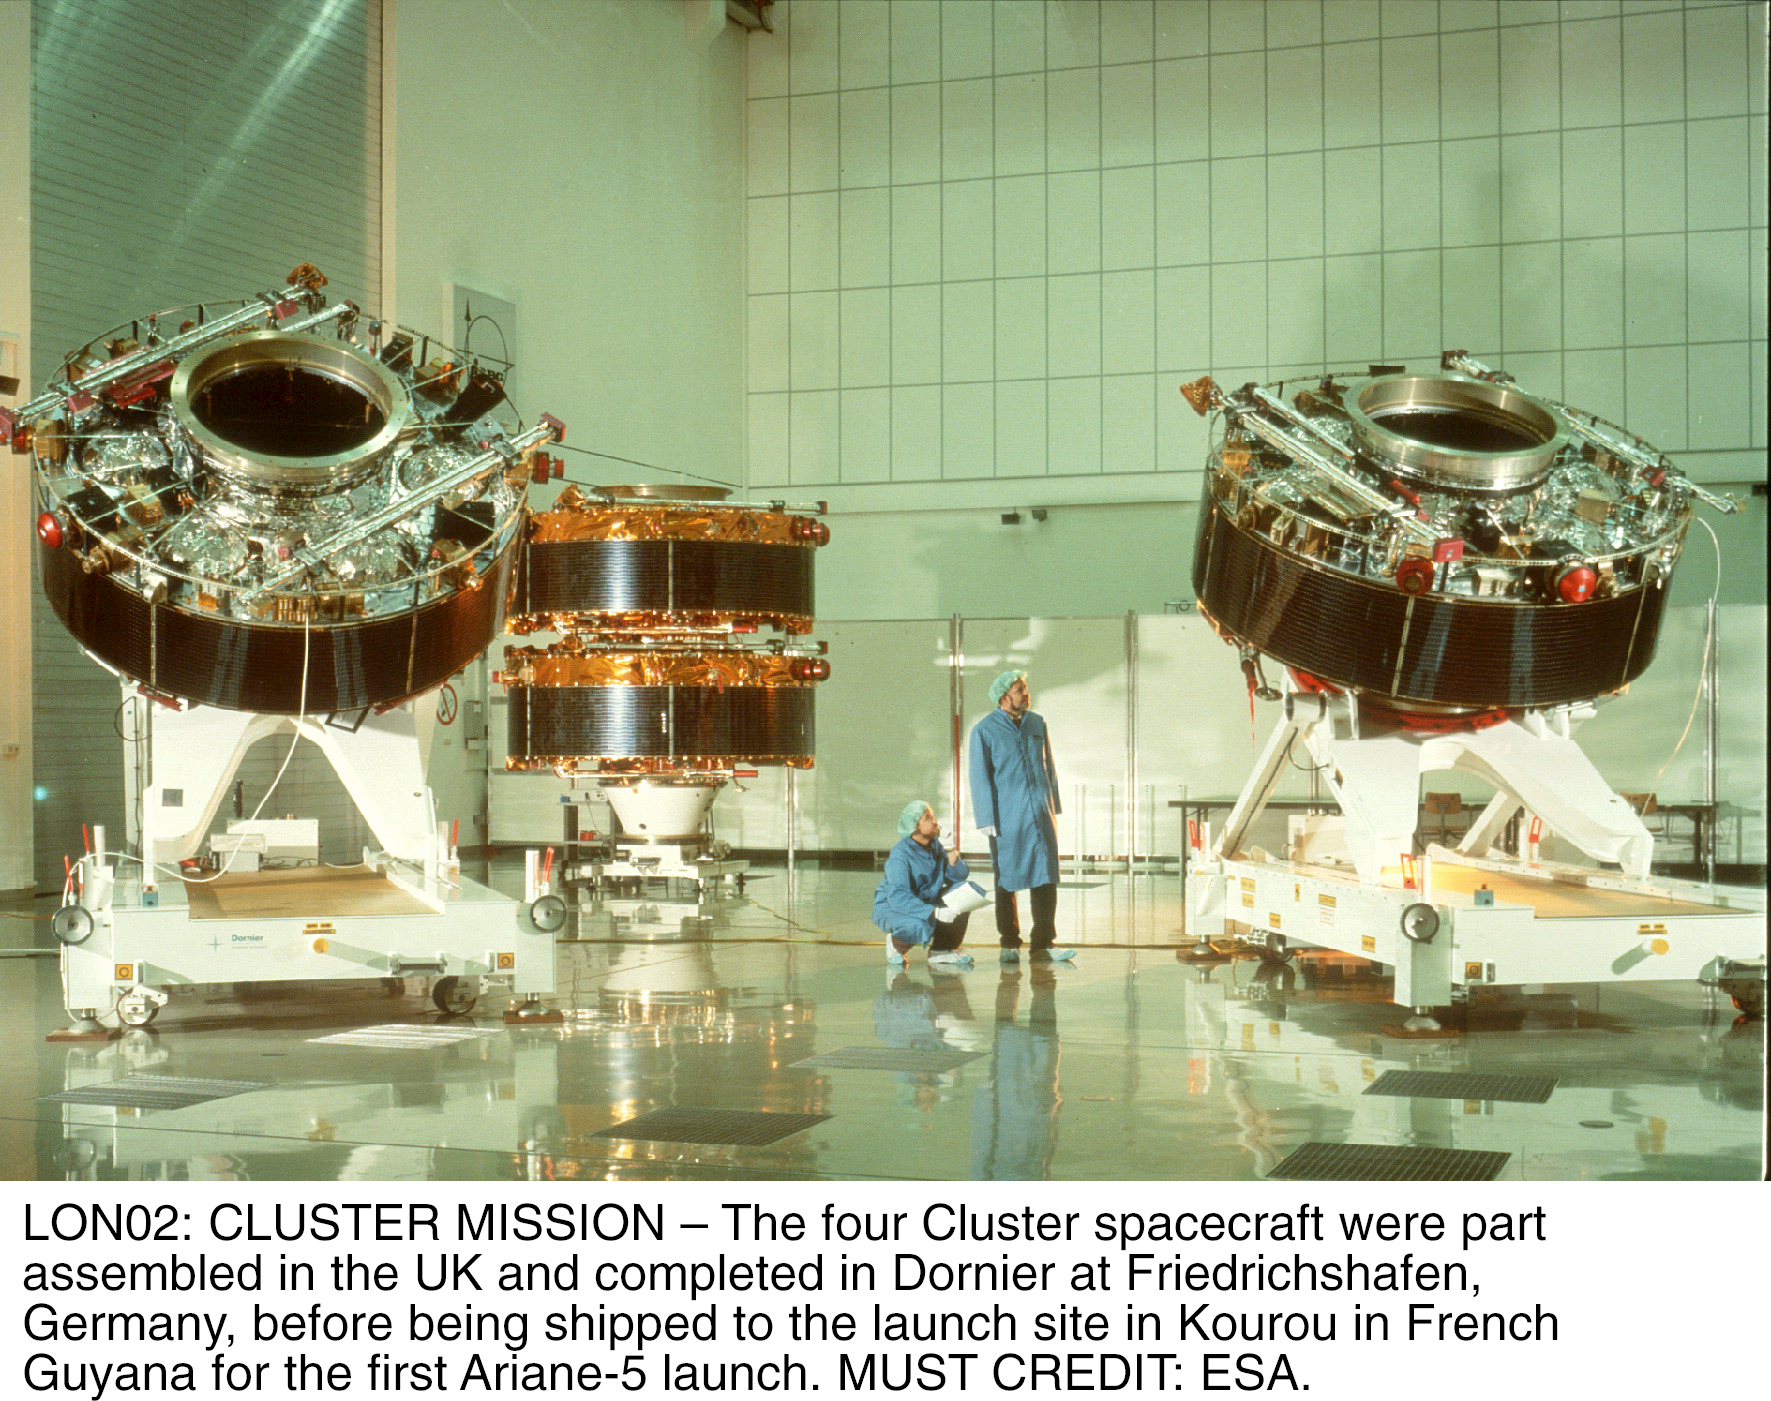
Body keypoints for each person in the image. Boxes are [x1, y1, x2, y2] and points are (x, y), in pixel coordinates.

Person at [968, 670, 1075, 963]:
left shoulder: (1037, 723)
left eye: (1026, 689)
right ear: (1004, 697)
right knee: (1007, 878)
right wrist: (986, 818)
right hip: (1008, 818)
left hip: (1040, 812)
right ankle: (1009, 942)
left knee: (1046, 876)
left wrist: (1053, 804)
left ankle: (1043, 943)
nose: (1026, 695)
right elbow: (980, 777)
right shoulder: (984, 731)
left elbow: (1048, 766)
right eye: (1019, 691)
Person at [873, 800, 976, 968]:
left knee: (964, 895)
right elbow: (898, 897)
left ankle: (941, 951)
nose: (935, 821)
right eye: (928, 818)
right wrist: (933, 912)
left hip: (926, 900)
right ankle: (897, 944)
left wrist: (952, 853)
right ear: (914, 826)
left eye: (934, 816)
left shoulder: (936, 847)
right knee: (919, 925)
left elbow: (960, 877)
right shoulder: (900, 854)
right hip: (896, 907)